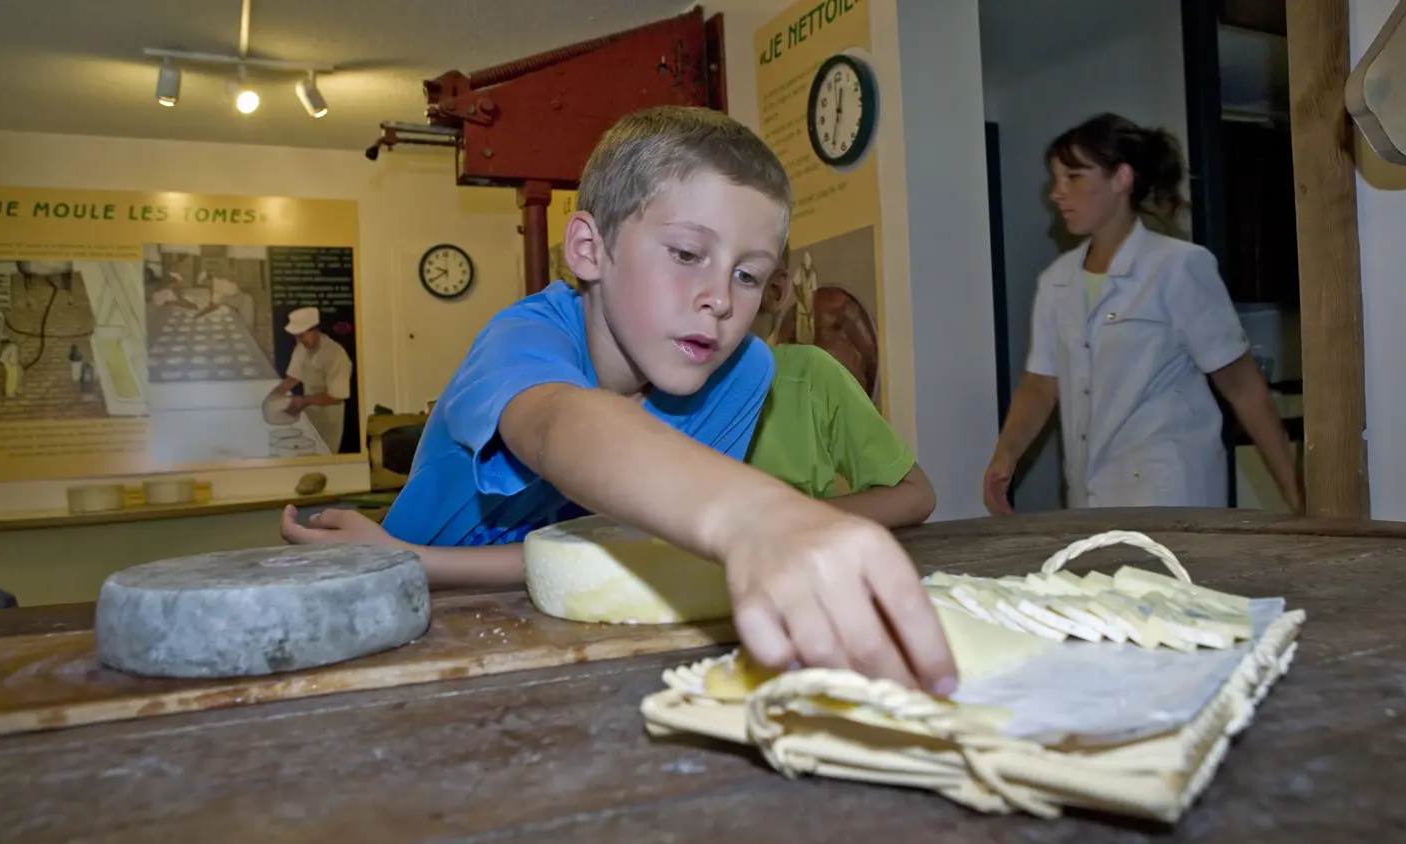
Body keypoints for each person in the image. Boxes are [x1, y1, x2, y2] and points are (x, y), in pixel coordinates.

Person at [280, 105, 956, 696]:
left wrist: (424, 562)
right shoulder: (523, 339)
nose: (722, 298)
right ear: (588, 250)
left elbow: (602, 552)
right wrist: (755, 514)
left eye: (749, 275)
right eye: (688, 254)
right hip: (419, 629)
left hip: (560, 626)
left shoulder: (742, 372)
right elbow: (559, 425)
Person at [983, 113, 1301, 515]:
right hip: (1089, 494)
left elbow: (1242, 386)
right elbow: (1040, 385)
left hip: (1170, 490)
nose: (1056, 194)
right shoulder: (1056, 281)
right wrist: (1005, 455)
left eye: (1074, 177)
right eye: (1055, 180)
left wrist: (1294, 492)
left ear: (1121, 179)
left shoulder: (1178, 267)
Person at [747, 261, 935, 527]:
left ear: (775, 290)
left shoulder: (807, 375)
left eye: (743, 275)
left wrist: (795, 518)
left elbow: (916, 495)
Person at [269, 307, 353, 453]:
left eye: (302, 335)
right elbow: (293, 378)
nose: (299, 340)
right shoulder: (301, 348)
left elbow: (338, 396)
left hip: (329, 419)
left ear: (315, 330)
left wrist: (303, 400)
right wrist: (273, 395)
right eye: (296, 336)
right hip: (310, 414)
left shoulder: (336, 354)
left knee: (325, 454)